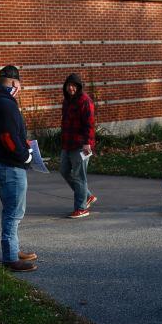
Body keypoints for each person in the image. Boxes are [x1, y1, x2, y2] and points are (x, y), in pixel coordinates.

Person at [0, 64, 38, 272]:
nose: (19, 89)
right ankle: (10, 258)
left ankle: (13, 249)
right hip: (9, 166)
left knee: (11, 211)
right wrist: (25, 156)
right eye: (19, 85)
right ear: (14, 83)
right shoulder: (6, 104)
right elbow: (8, 137)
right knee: (13, 214)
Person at [59, 73, 97, 218]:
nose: (71, 88)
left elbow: (89, 124)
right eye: (68, 85)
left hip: (81, 145)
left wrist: (87, 143)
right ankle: (87, 195)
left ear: (79, 87)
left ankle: (81, 208)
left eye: (74, 85)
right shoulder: (67, 101)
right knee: (64, 170)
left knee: (79, 176)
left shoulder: (85, 101)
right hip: (67, 144)